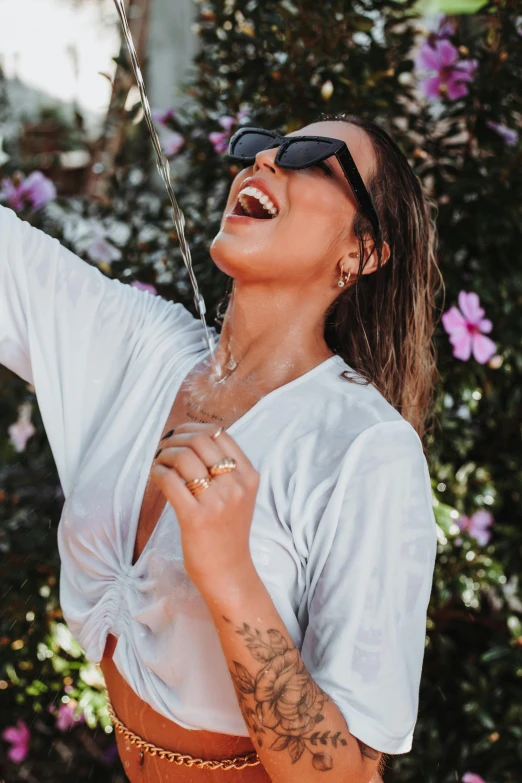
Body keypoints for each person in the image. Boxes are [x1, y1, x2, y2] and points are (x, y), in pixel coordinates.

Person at [0, 114, 442, 783]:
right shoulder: (146, 349)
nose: (263, 162)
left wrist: (230, 572)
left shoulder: (366, 449)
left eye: (311, 157)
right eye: (259, 147)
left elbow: (347, 776)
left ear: (364, 249)